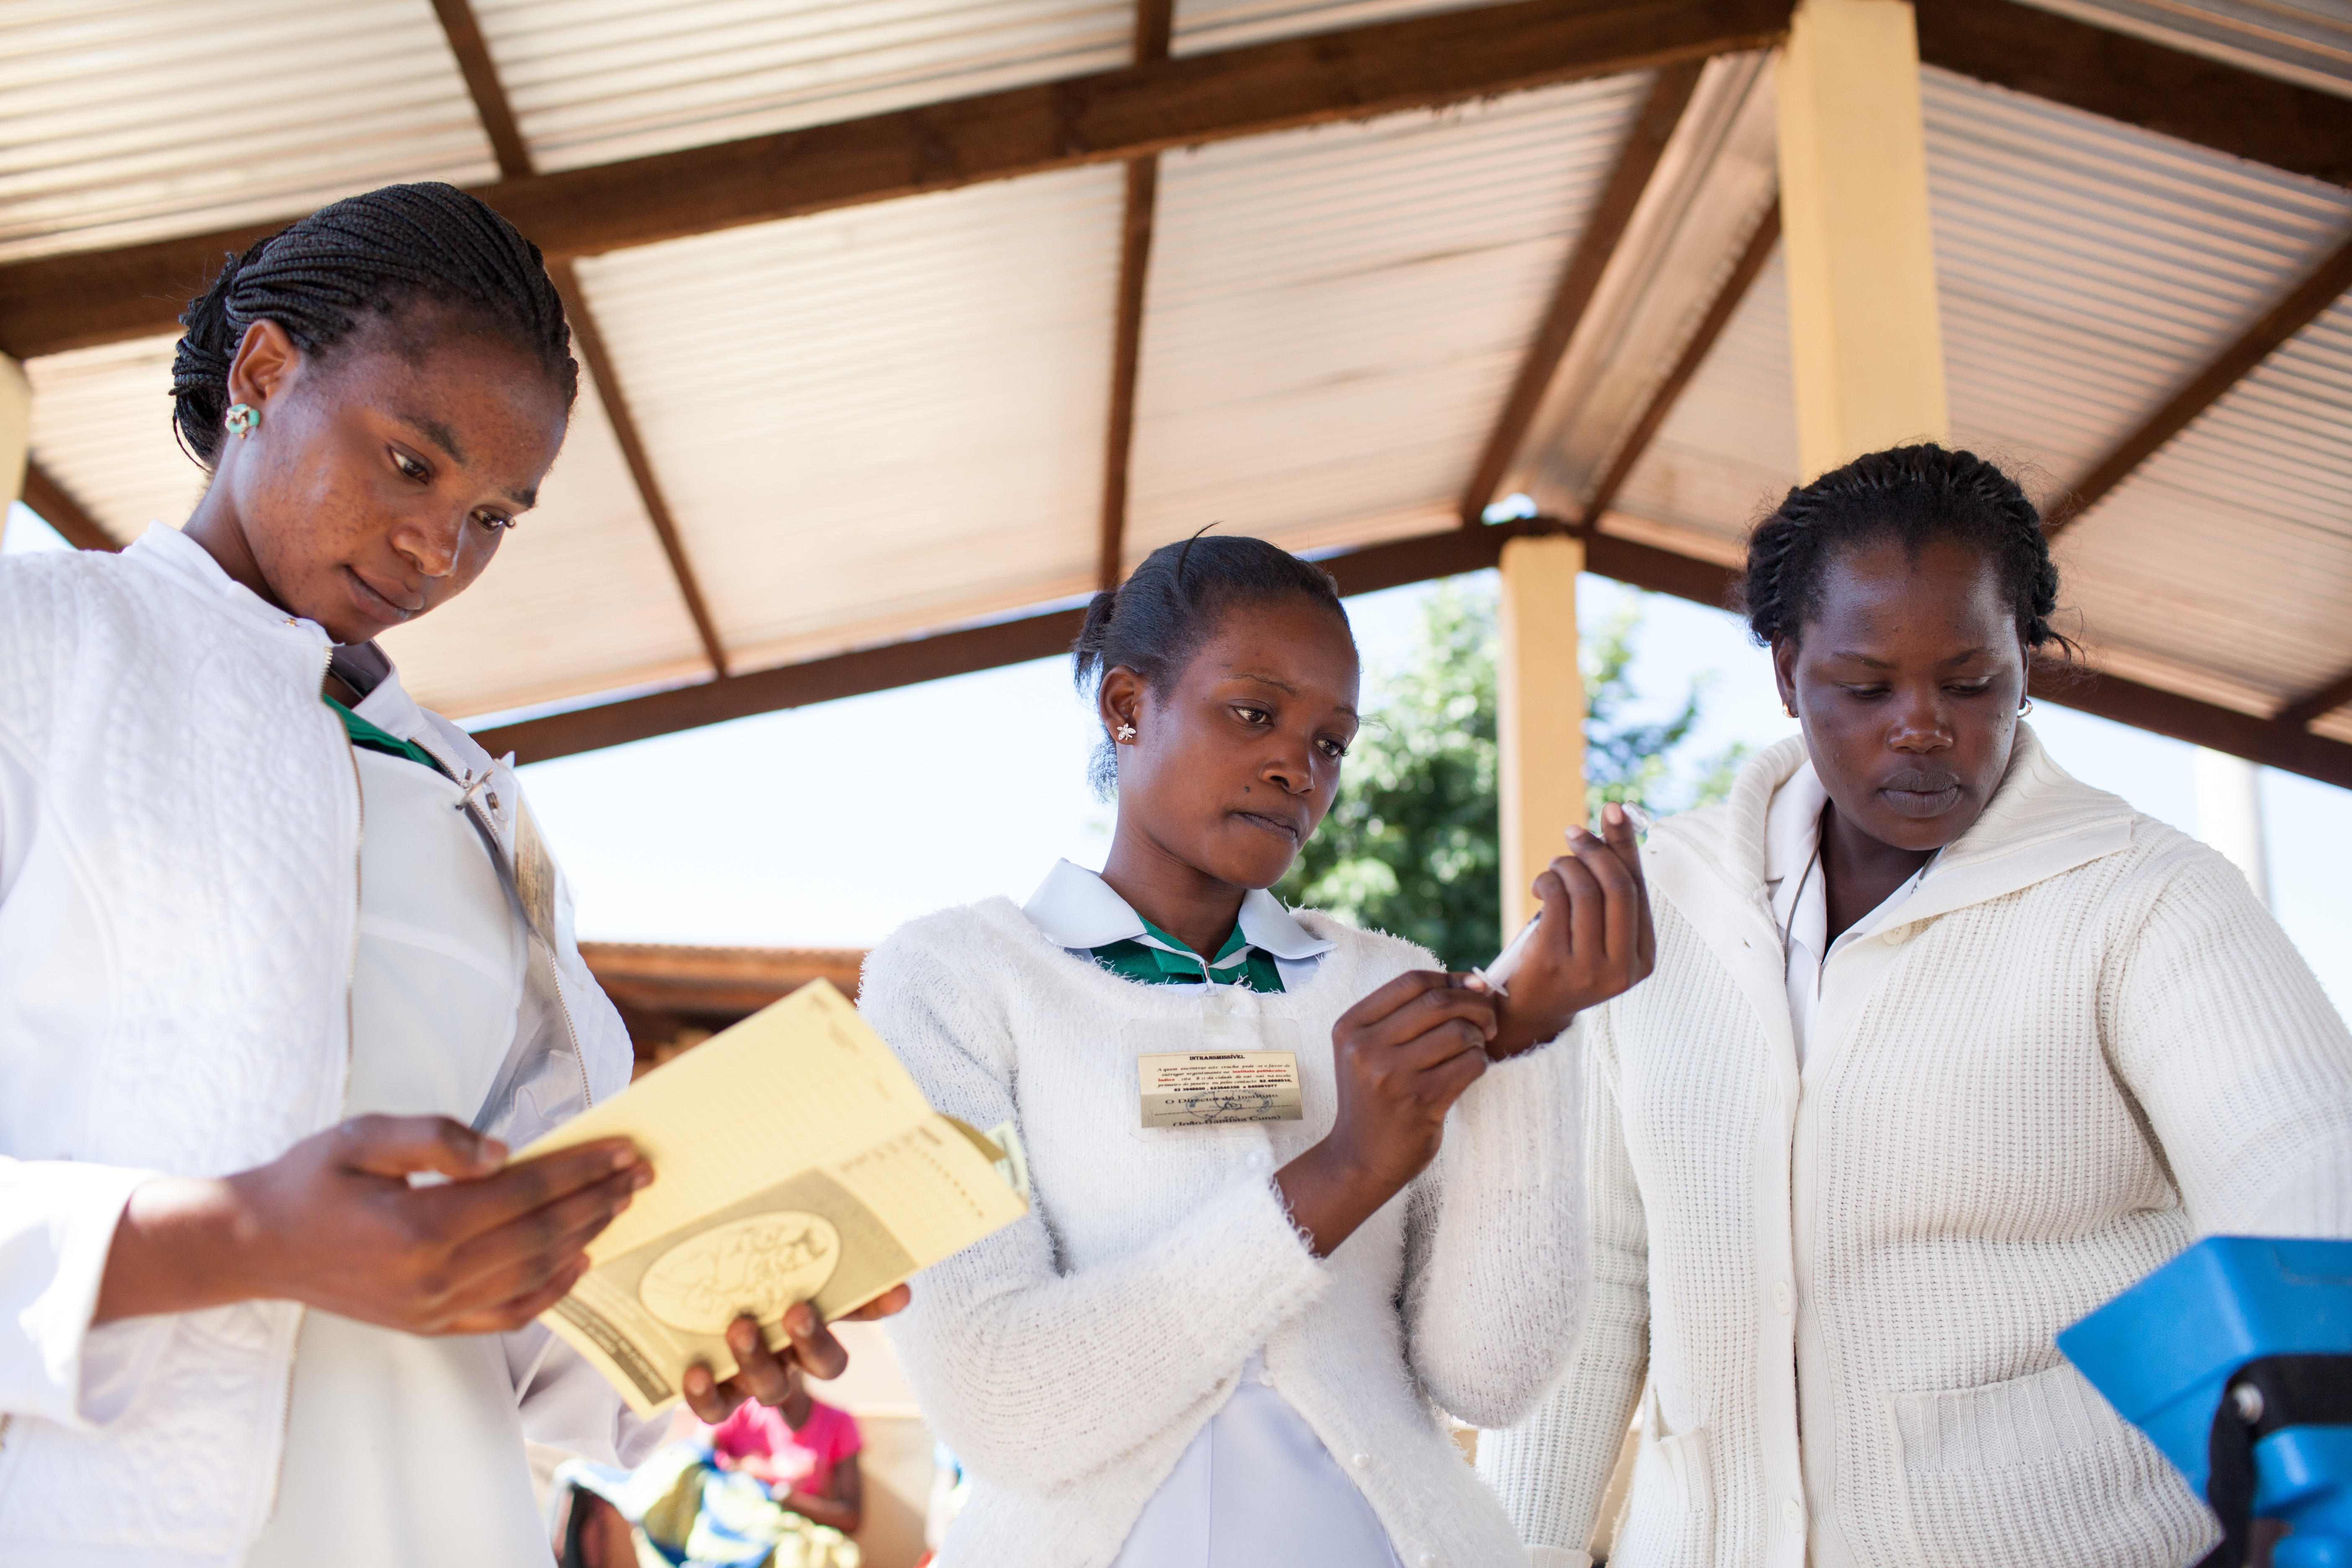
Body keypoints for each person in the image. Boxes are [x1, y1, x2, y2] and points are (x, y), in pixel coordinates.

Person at [0, 182, 901, 1568]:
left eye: (494, 515)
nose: (440, 549)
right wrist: (236, 1240)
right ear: (262, 373)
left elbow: (534, 1317)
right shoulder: (39, 653)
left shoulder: (470, 799)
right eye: (411, 462)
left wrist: (700, 1319)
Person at [1477, 444, 2352, 1568]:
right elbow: (1592, 1277)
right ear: (1790, 674)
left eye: (1971, 681)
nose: (1922, 726)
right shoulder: (1655, 907)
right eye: (1867, 686)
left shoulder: (2145, 900)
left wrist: (2304, 1507)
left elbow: (2309, 1188)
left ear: (2024, 665)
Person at [859, 534, 1655, 1568]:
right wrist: (1343, 1170)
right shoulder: (955, 979)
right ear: (1127, 705)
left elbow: (1491, 1377)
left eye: (1332, 742)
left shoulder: (1386, 982)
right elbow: (1004, 1401)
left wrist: (1526, 1039)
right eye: (1255, 712)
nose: (1297, 766)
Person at [561, 1359, 865, 1568]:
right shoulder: (744, 1409)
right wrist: (749, 1471)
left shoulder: (839, 1424)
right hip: (725, 1513)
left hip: (786, 1523)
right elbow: (698, 1458)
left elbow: (852, 1518)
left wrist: (791, 1500)